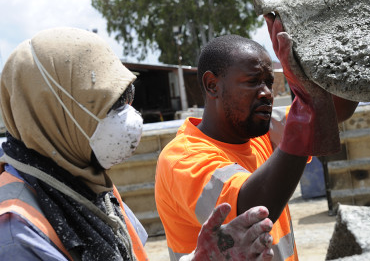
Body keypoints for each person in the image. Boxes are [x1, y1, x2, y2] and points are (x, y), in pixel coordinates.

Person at [155, 0, 370, 260]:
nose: (267, 92)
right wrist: (306, 104)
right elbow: (249, 208)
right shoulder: (183, 159)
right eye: (253, 82)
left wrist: (363, 18)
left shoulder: (255, 132)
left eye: (269, 81)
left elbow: (333, 108)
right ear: (212, 85)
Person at [0, 27, 274, 261]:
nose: (127, 115)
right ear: (51, 112)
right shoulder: (16, 230)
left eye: (125, 98)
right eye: (108, 104)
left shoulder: (87, 185)